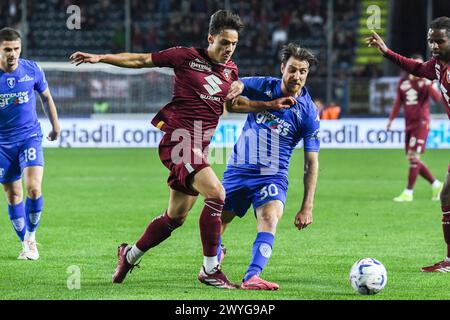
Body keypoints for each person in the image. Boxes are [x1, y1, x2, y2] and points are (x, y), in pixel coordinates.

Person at [70, 10, 295, 288]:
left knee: (174, 218)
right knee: (217, 193)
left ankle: (129, 255)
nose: (228, 49)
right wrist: (100, 58)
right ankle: (210, 269)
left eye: (233, 44)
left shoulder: (231, 71)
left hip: (198, 145)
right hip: (179, 139)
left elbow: (232, 106)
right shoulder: (185, 57)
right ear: (210, 37)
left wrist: (270, 105)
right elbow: (141, 60)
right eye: (224, 42)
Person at [219, 43, 320, 289]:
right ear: (282, 68)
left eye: (303, 71)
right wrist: (238, 86)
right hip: (239, 169)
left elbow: (311, 162)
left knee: (269, 216)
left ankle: (252, 275)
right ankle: (212, 260)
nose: (297, 76)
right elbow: (237, 91)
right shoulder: (266, 86)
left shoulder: (308, 113)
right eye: (293, 69)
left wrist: (307, 206)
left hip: (271, 175)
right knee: (216, 222)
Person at [367, 16, 450, 272]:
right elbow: (416, 67)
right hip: (412, 125)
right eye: (431, 41)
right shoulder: (437, 66)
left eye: (440, 41)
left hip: (420, 124)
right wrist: (387, 52)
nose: (434, 46)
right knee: (446, 195)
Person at [0, 27, 61, 260]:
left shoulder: (32, 69)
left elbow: (46, 97)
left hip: (29, 137)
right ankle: (23, 241)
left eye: (16, 48)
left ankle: (31, 238)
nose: (12, 54)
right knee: (13, 195)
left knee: (34, 188)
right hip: (2, 144)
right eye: (7, 49)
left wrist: (55, 126)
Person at [387, 54, 442, 202]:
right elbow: (398, 103)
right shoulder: (403, 83)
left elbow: (437, 99)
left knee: (414, 157)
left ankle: (408, 192)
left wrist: (428, 82)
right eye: (417, 66)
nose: (420, 69)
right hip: (409, 124)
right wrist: (391, 120)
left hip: (422, 123)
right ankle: (437, 185)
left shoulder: (426, 82)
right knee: (412, 158)